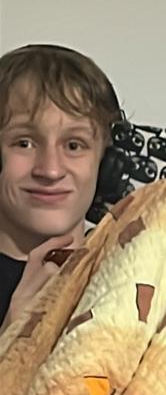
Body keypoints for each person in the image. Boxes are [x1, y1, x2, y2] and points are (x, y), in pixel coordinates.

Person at [0, 43, 123, 333]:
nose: (50, 170)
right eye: (24, 143)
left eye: (74, 145)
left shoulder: (137, 269)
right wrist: (12, 333)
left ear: (106, 165)